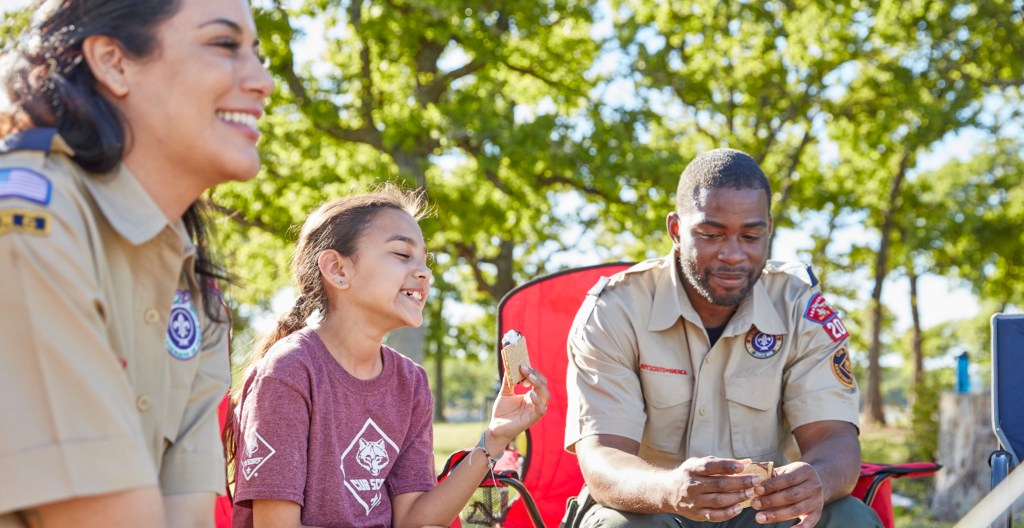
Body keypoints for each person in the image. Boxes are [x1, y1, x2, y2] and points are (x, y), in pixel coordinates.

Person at [0, 0, 273, 526]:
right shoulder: (26, 224)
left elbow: (185, 515)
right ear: (114, 62)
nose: (263, 81)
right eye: (224, 45)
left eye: (257, 54)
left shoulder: (195, 288)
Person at [564, 148, 882, 528]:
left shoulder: (801, 309)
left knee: (850, 519)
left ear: (769, 229)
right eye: (712, 234)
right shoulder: (615, 310)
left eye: (751, 236)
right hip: (655, 506)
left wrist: (817, 481)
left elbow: (835, 441)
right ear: (676, 231)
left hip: (764, 509)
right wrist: (669, 489)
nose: (733, 255)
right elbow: (603, 460)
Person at [227, 186, 550, 528]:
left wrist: (495, 437)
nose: (424, 272)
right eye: (402, 254)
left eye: (426, 260)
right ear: (338, 269)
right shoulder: (289, 371)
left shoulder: (410, 383)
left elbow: (414, 518)